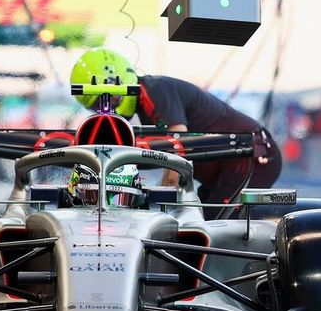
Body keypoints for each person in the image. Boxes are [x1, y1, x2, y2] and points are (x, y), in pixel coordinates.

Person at [69, 48, 282, 218]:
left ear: (118, 80)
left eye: (106, 98)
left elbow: (176, 151)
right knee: (199, 218)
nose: (107, 106)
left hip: (252, 156)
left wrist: (154, 206)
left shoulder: (155, 90)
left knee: (211, 227)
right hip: (234, 162)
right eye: (97, 104)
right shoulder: (147, 102)